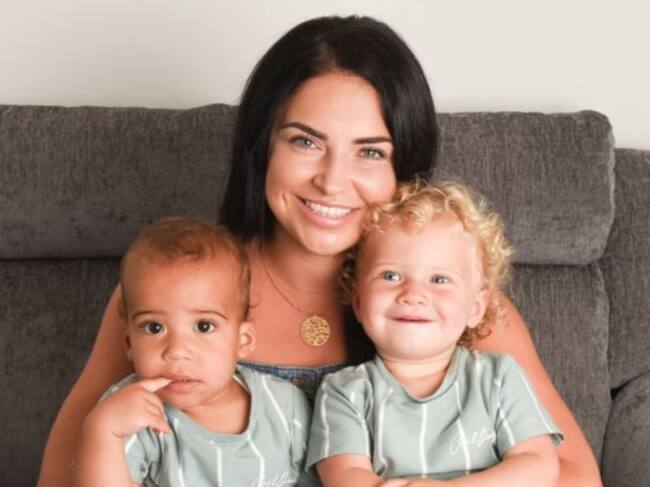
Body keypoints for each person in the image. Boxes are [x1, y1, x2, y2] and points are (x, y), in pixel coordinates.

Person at [38, 15, 601, 486]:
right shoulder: (177, 287)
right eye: (306, 142)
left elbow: (574, 475)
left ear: (405, 166)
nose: (332, 182)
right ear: (263, 146)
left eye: (370, 152)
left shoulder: (447, 299)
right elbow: (63, 473)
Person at [308, 181, 563, 486]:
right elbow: (345, 477)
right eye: (390, 275)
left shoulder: (498, 377)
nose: (413, 294)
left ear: (476, 308)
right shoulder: (345, 392)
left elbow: (539, 464)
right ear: (359, 302)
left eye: (439, 279)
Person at [73, 217, 316, 486]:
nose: (177, 351)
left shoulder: (285, 407)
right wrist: (103, 432)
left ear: (243, 340)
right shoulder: (131, 413)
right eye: (154, 328)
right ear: (129, 343)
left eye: (203, 326)